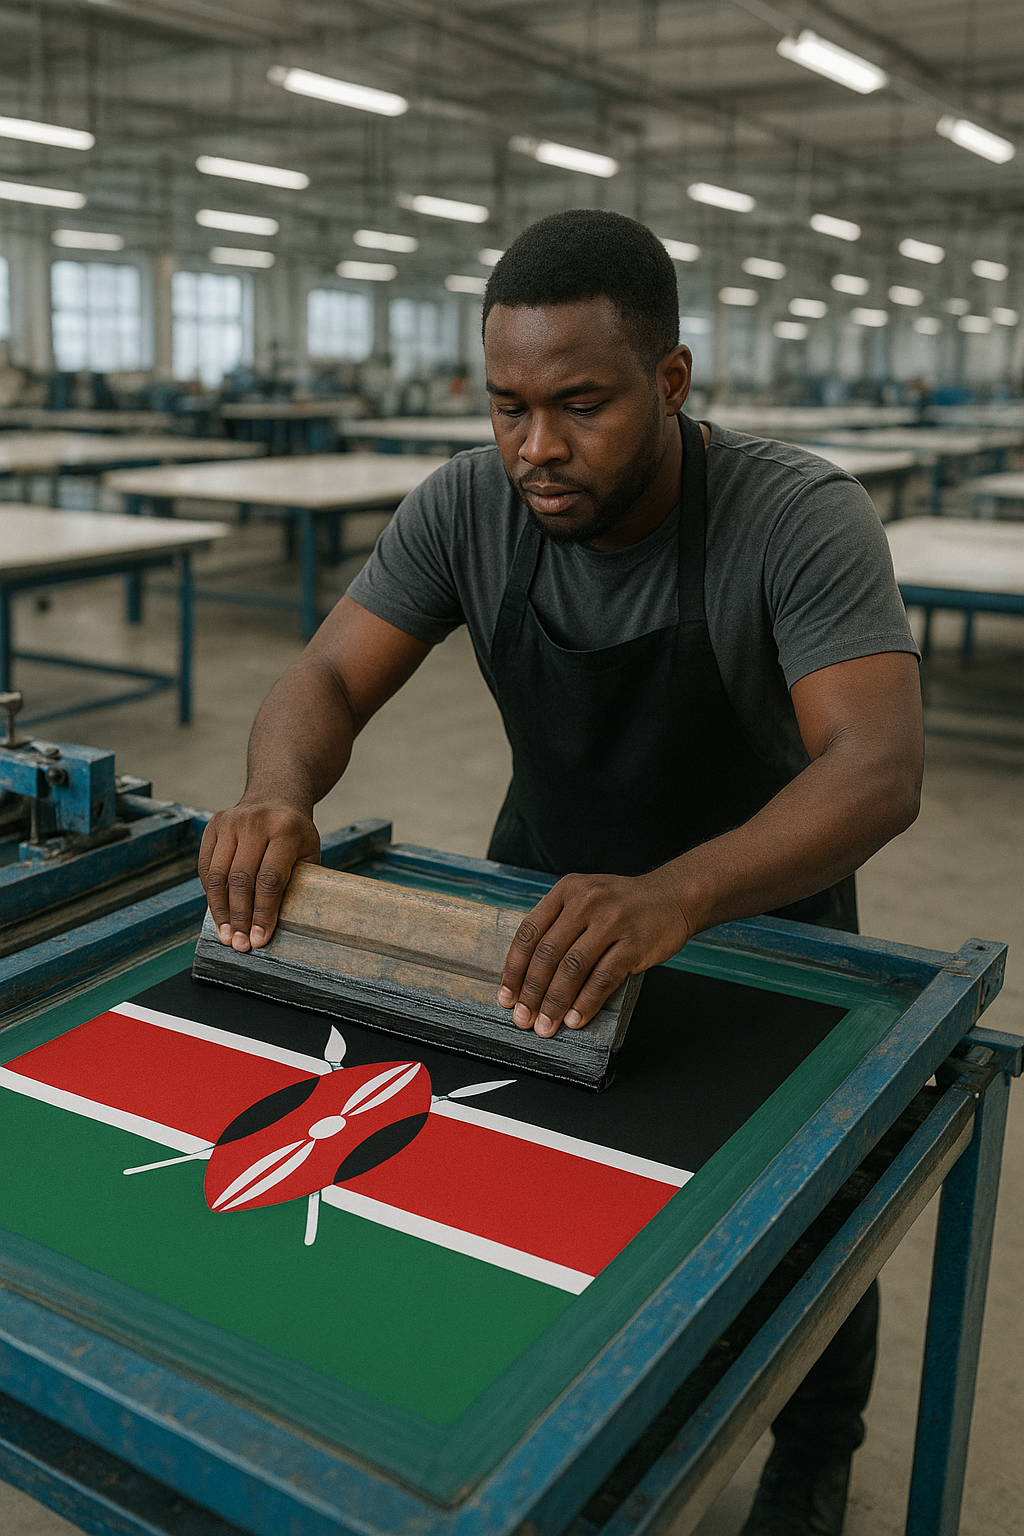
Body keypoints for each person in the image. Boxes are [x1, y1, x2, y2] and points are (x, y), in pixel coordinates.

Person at [198, 210, 923, 1536]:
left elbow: (875, 769)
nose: (536, 446)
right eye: (507, 407)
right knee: (539, 1183)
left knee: (809, 1211)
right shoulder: (469, 508)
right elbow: (325, 675)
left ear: (672, 380)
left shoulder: (794, 516)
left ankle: (817, 1448)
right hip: (538, 907)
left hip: (764, 928)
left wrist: (680, 894)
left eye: (579, 406)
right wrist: (274, 794)